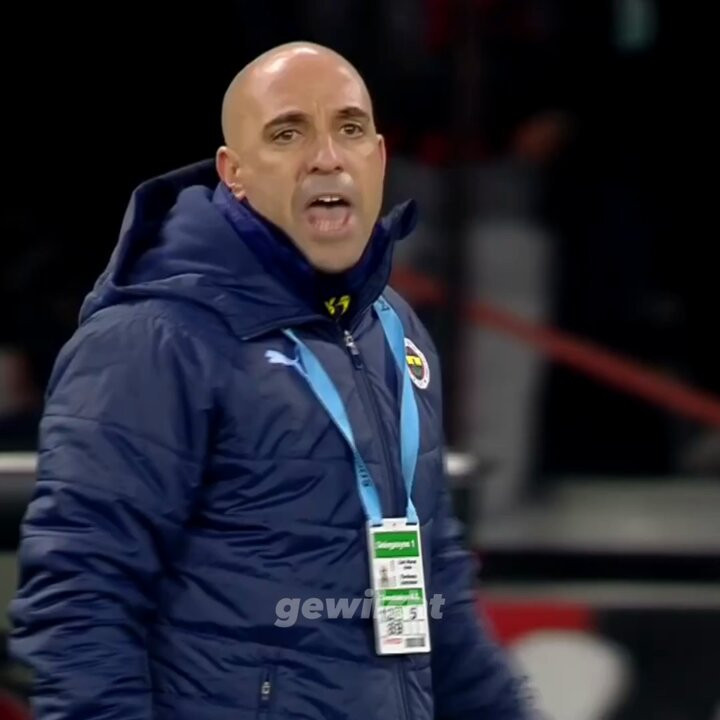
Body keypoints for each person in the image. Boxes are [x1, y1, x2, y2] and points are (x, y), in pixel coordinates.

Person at [9, 42, 532, 719]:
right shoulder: (153, 339)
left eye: (349, 128)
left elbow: (438, 596)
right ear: (235, 173)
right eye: (288, 133)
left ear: (379, 157)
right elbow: (83, 602)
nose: (327, 157)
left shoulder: (393, 328)